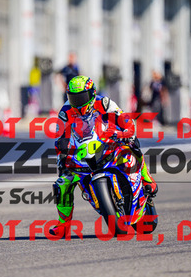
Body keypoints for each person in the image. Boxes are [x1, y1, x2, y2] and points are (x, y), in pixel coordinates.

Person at [49, 75, 157, 237]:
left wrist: (125, 133)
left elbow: (125, 120)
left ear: (92, 94)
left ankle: (147, 179)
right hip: (83, 151)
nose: (78, 102)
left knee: (132, 145)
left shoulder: (104, 103)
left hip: (108, 142)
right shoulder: (65, 111)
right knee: (62, 183)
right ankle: (63, 224)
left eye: (82, 97)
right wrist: (62, 155)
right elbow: (60, 138)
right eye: (73, 98)